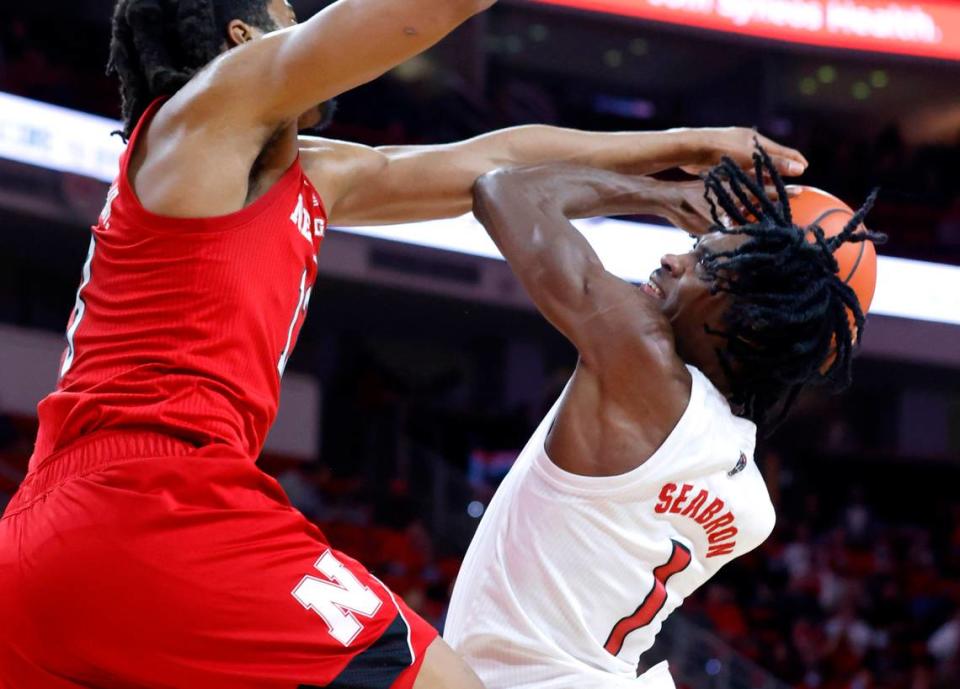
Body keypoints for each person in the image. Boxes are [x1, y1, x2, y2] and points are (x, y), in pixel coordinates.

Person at [0, 0, 807, 685]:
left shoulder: (298, 172)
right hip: (155, 502)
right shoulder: (205, 115)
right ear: (245, 42)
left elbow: (487, 163)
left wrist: (670, 147)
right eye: (289, 12)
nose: (306, 20)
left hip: (51, 537)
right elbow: (402, 17)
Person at [443, 148, 883, 688]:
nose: (673, 259)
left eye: (704, 261)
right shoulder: (751, 502)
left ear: (745, 322)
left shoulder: (642, 362)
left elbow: (502, 190)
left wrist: (661, 194)